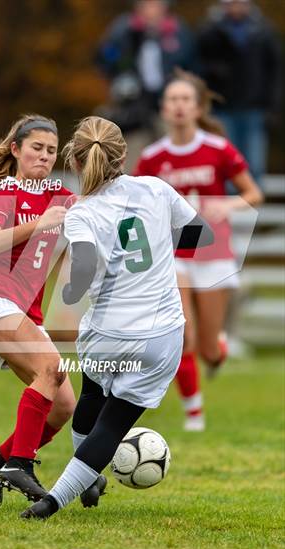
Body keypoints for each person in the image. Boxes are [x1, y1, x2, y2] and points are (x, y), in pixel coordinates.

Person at [20, 116, 214, 520]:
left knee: (92, 396)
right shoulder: (155, 189)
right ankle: (56, 499)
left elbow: (86, 264)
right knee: (114, 423)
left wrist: (73, 291)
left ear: (75, 161)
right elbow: (202, 234)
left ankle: (83, 480)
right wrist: (159, 242)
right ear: (124, 155)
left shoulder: (82, 211)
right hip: (161, 335)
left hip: (107, 332)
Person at [133, 70, 263, 431]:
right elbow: (137, 204)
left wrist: (228, 206)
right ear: (163, 108)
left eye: (184, 100)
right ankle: (194, 413)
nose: (178, 106)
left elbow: (253, 194)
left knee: (209, 350)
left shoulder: (218, 149)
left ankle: (217, 345)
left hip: (215, 254)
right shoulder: (153, 157)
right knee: (183, 335)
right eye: (171, 100)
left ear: (198, 107)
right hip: (174, 255)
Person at [0, 115, 79, 506]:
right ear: (16, 149)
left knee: (63, 407)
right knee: (50, 369)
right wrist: (38, 225)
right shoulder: (2, 192)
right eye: (36, 148)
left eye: (51, 150)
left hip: (26, 314)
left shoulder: (60, 195)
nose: (44, 156)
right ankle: (20, 464)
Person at [95, 0, 195, 172]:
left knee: (173, 152)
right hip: (133, 104)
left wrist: (179, 84)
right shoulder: (123, 28)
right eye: (147, 4)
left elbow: (191, 63)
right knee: (133, 153)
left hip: (167, 101)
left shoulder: (177, 31)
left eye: (156, 4)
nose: (151, 9)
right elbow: (104, 56)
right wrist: (121, 73)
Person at [197, 0, 282, 185]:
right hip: (223, 106)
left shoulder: (264, 30)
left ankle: (254, 208)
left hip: (254, 105)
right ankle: (230, 209)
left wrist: (273, 105)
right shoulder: (209, 30)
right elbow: (199, 64)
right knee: (226, 161)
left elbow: (274, 69)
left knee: (254, 163)